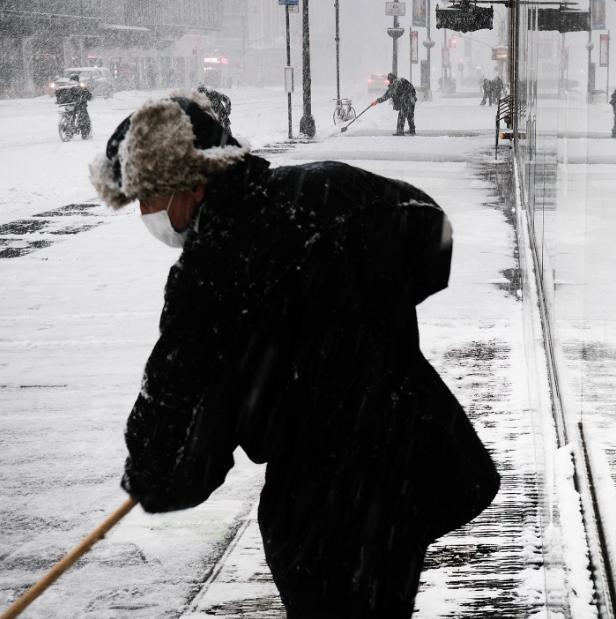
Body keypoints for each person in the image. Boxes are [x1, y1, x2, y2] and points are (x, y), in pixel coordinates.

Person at [88, 91, 500, 617]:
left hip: (325, 505)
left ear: (190, 183)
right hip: (409, 464)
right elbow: (429, 232)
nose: (146, 214)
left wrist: (152, 473)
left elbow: (182, 399)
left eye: (147, 199)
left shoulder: (214, 267)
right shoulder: (334, 189)